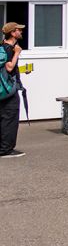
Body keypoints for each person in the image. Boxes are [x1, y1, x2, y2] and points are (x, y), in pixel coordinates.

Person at [1, 21, 25, 158]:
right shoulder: (10, 49)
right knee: (10, 118)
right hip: (9, 90)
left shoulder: (2, 47)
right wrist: (17, 53)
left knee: (3, 118)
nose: (20, 32)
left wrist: (22, 70)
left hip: (3, 89)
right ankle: (6, 150)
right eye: (18, 30)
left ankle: (3, 147)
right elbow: (9, 67)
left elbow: (8, 69)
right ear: (12, 33)